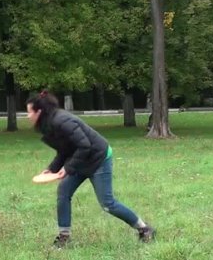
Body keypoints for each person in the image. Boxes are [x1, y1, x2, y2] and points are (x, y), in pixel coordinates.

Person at [26, 90, 155, 248]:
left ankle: (144, 228)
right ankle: (64, 237)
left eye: (29, 112)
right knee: (63, 192)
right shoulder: (48, 125)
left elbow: (84, 145)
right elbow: (65, 150)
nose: (27, 116)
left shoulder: (62, 121)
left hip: (98, 158)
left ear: (39, 112)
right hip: (80, 159)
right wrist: (52, 169)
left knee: (108, 204)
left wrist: (67, 168)